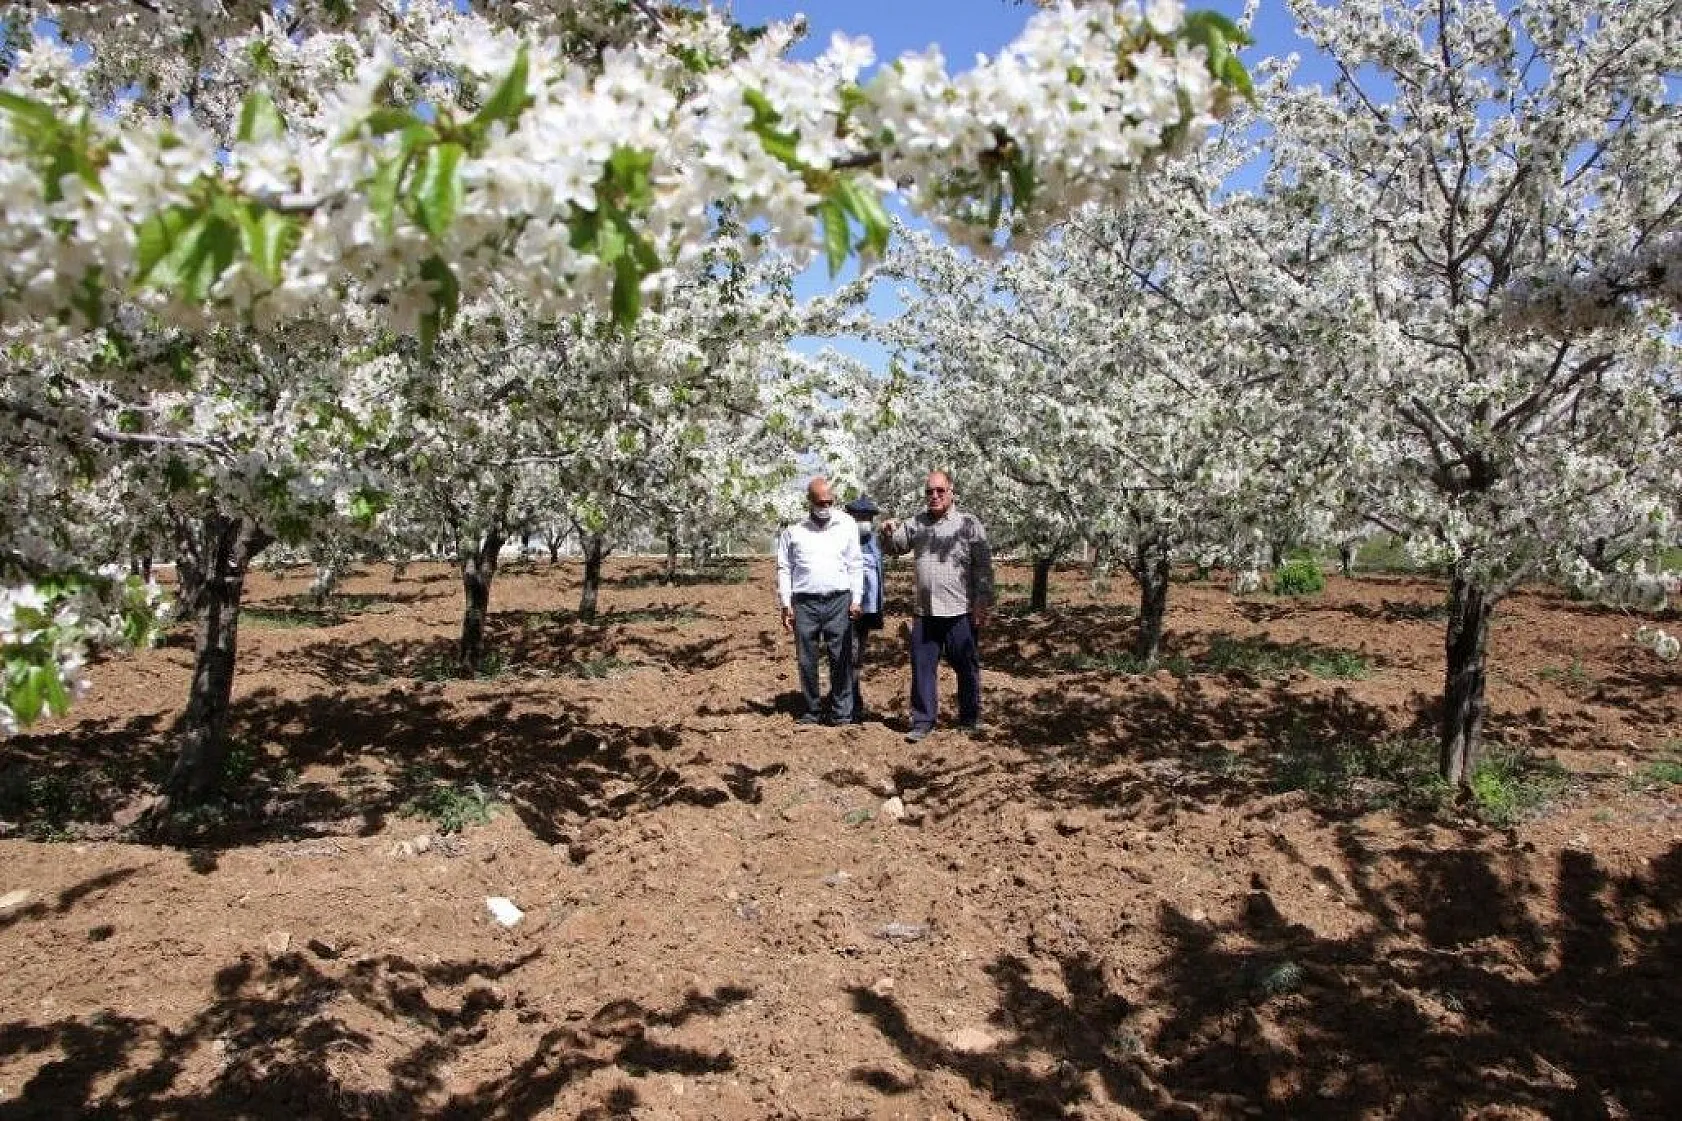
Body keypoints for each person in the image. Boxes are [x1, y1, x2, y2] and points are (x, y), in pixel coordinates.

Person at [879, 470, 994, 743]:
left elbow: (983, 566)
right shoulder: (916, 524)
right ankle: (922, 721)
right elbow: (894, 547)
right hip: (925, 612)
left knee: (966, 666)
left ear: (951, 491)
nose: (935, 496)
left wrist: (982, 601)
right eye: (930, 491)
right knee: (922, 668)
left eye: (940, 491)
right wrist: (885, 532)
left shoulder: (968, 524)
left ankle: (969, 718)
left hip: (959, 610)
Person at [775, 476, 864, 725]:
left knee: (841, 657)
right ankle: (812, 710)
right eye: (820, 502)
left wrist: (856, 599)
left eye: (829, 502)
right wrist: (786, 603)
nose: (825, 507)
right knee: (807, 659)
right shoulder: (793, 533)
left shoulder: (846, 525)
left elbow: (855, 564)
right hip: (805, 603)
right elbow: (784, 568)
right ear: (810, 502)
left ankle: (842, 712)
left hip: (839, 600)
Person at [843, 494, 886, 722]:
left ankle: (851, 699)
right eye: (859, 517)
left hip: (868, 610)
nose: (864, 522)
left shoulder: (875, 542)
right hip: (847, 609)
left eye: (867, 517)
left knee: (858, 656)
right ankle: (849, 703)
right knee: (848, 654)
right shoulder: (842, 541)